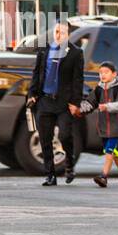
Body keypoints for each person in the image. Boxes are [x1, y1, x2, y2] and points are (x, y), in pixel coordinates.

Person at [26, 19, 86, 185]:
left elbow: (78, 80)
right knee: (45, 138)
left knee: (65, 135)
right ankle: (50, 174)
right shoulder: (44, 50)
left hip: (64, 103)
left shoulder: (75, 53)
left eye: (63, 33)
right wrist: (32, 94)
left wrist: (75, 102)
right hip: (45, 101)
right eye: (57, 32)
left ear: (69, 35)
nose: (59, 35)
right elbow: (37, 74)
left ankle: (69, 163)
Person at [79, 60, 118, 188]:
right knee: (114, 153)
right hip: (103, 127)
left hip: (117, 127)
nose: (103, 75)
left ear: (114, 74)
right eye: (100, 72)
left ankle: (104, 177)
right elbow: (90, 103)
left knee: (109, 150)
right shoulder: (99, 89)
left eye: (106, 72)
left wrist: (107, 106)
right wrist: (79, 109)